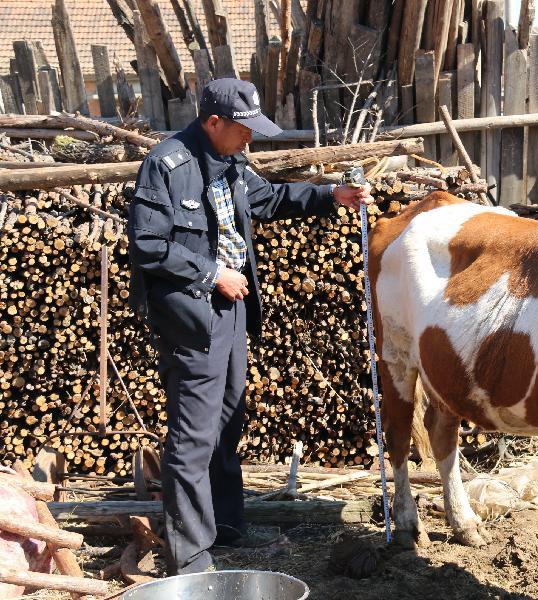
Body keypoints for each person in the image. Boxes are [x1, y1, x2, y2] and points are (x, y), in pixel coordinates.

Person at [126, 78, 373, 575]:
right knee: (193, 436)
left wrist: (333, 195)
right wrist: (213, 274)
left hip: (233, 310)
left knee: (227, 419)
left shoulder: (232, 159)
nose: (251, 139)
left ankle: (227, 526)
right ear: (213, 122)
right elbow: (148, 244)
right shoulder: (166, 165)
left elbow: (269, 200)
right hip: (192, 315)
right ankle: (191, 558)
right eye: (244, 129)